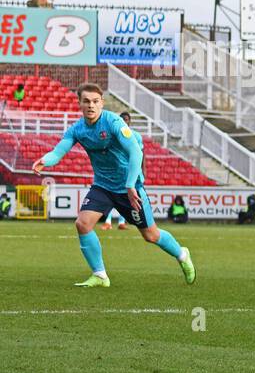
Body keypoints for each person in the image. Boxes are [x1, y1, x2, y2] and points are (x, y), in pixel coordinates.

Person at [31, 84, 196, 287]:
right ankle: (100, 275)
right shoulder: (77, 129)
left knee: (151, 235)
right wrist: (44, 160)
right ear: (80, 104)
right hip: (102, 186)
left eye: (95, 101)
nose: (91, 105)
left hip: (129, 188)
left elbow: (136, 152)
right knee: (82, 224)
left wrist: (130, 185)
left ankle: (181, 254)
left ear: (102, 102)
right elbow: (58, 152)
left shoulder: (113, 122)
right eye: (86, 101)